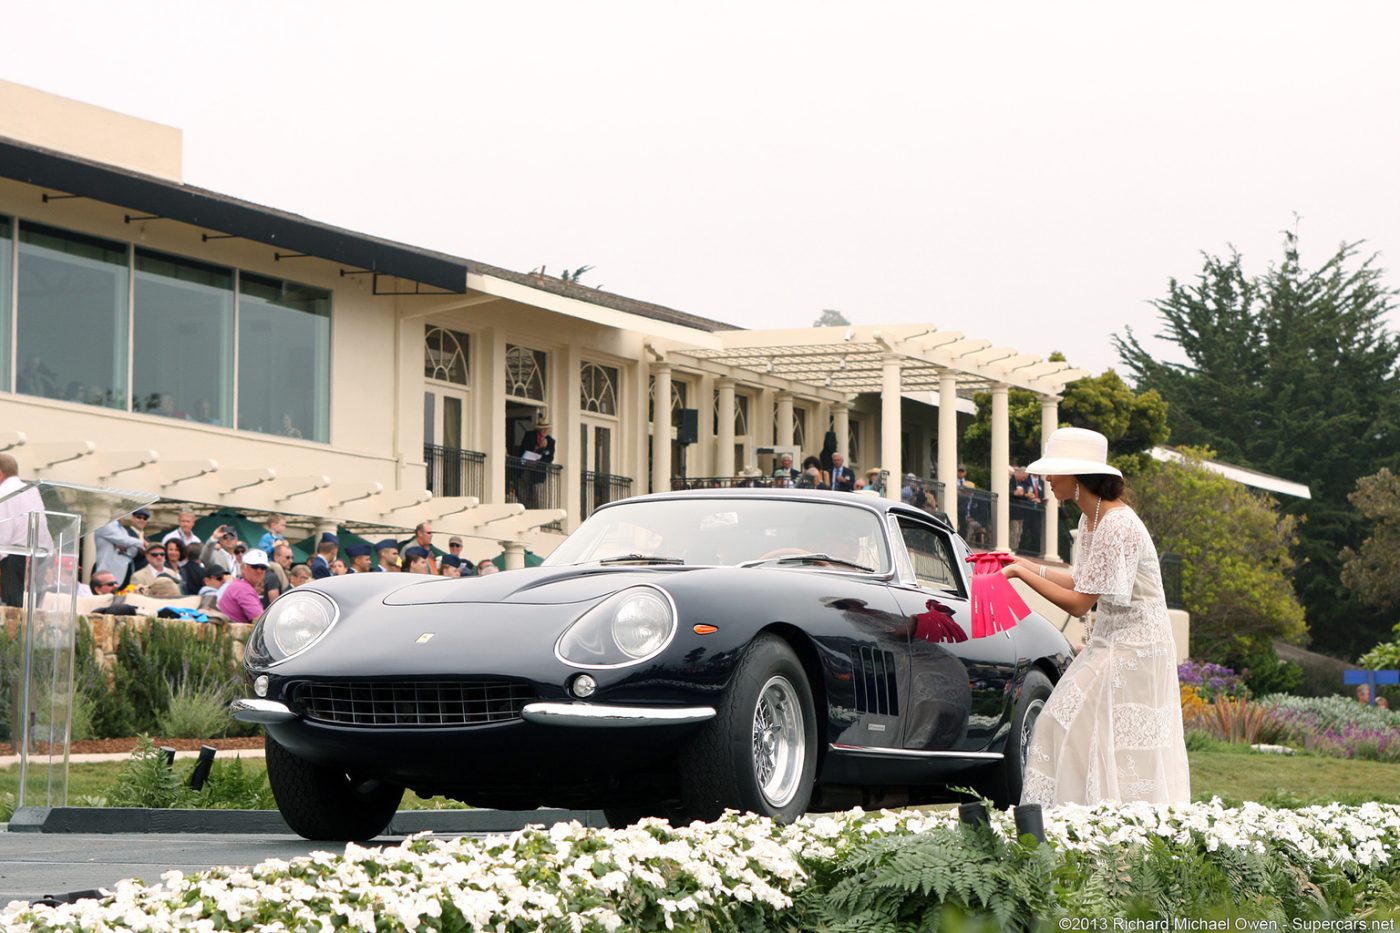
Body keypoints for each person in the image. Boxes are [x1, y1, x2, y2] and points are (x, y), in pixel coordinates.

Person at [1004, 427, 1189, 807]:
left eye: (1055, 472)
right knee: (1069, 727)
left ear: (1077, 477)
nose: (1048, 480)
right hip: (1110, 641)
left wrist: (1022, 575)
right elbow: (1079, 578)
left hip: (1137, 647)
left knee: (1078, 728)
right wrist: (1022, 563)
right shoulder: (1092, 521)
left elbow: (1079, 602)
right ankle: (1078, 821)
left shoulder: (1116, 524)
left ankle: (1104, 825)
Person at [0, 453, 48, 606]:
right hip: (38, 554)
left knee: (13, 609)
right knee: (28, 607)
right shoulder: (31, 490)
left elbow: (4, 528)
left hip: (13, 555)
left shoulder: (3, 492)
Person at [94, 508, 150, 588]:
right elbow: (123, 540)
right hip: (106, 572)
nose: (123, 514)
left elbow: (130, 549)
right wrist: (142, 543)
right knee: (105, 598)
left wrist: (127, 547)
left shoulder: (122, 529)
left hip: (119, 575)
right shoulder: (106, 525)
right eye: (119, 509)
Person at [217, 548, 271, 624]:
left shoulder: (239, 585)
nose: (259, 571)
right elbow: (260, 621)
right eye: (254, 566)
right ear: (243, 567)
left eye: (263, 567)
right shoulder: (243, 588)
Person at [516, 417, 555, 508]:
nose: (545, 430)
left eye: (547, 428)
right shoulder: (529, 436)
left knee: (538, 496)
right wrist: (537, 448)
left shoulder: (550, 441)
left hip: (538, 473)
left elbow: (549, 458)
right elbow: (522, 451)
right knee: (523, 495)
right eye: (543, 428)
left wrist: (542, 451)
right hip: (525, 470)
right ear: (539, 429)